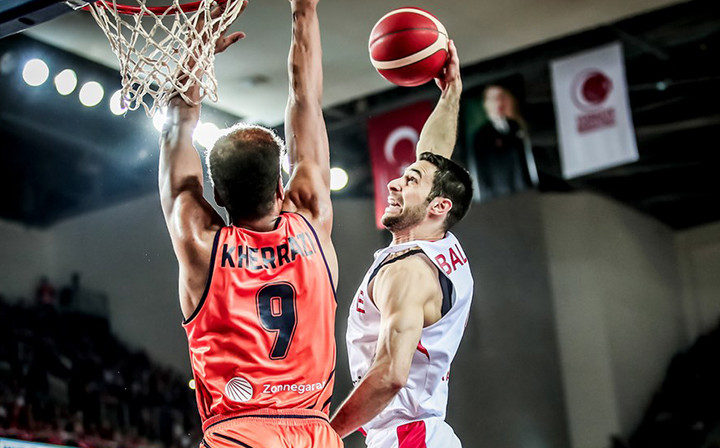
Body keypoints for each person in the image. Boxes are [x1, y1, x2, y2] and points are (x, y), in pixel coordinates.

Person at [157, 0, 342, 447]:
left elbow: (176, 129)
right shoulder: (312, 222)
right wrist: (304, 12)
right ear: (281, 187)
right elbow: (306, 100)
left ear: (217, 196)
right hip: (315, 432)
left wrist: (195, 54)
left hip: (238, 435)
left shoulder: (200, 242)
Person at [330, 40, 475, 448]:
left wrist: (324, 435)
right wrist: (450, 95)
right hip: (415, 433)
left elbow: (391, 374)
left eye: (410, 180)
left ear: (438, 205)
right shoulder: (439, 239)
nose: (393, 182)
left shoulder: (410, 271)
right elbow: (434, 155)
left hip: (407, 436)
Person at [471, 84, 538, 200]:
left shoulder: (516, 125)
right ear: (485, 103)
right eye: (493, 98)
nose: (498, 102)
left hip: (525, 188)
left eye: (501, 97)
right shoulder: (481, 135)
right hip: (500, 195)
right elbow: (481, 173)